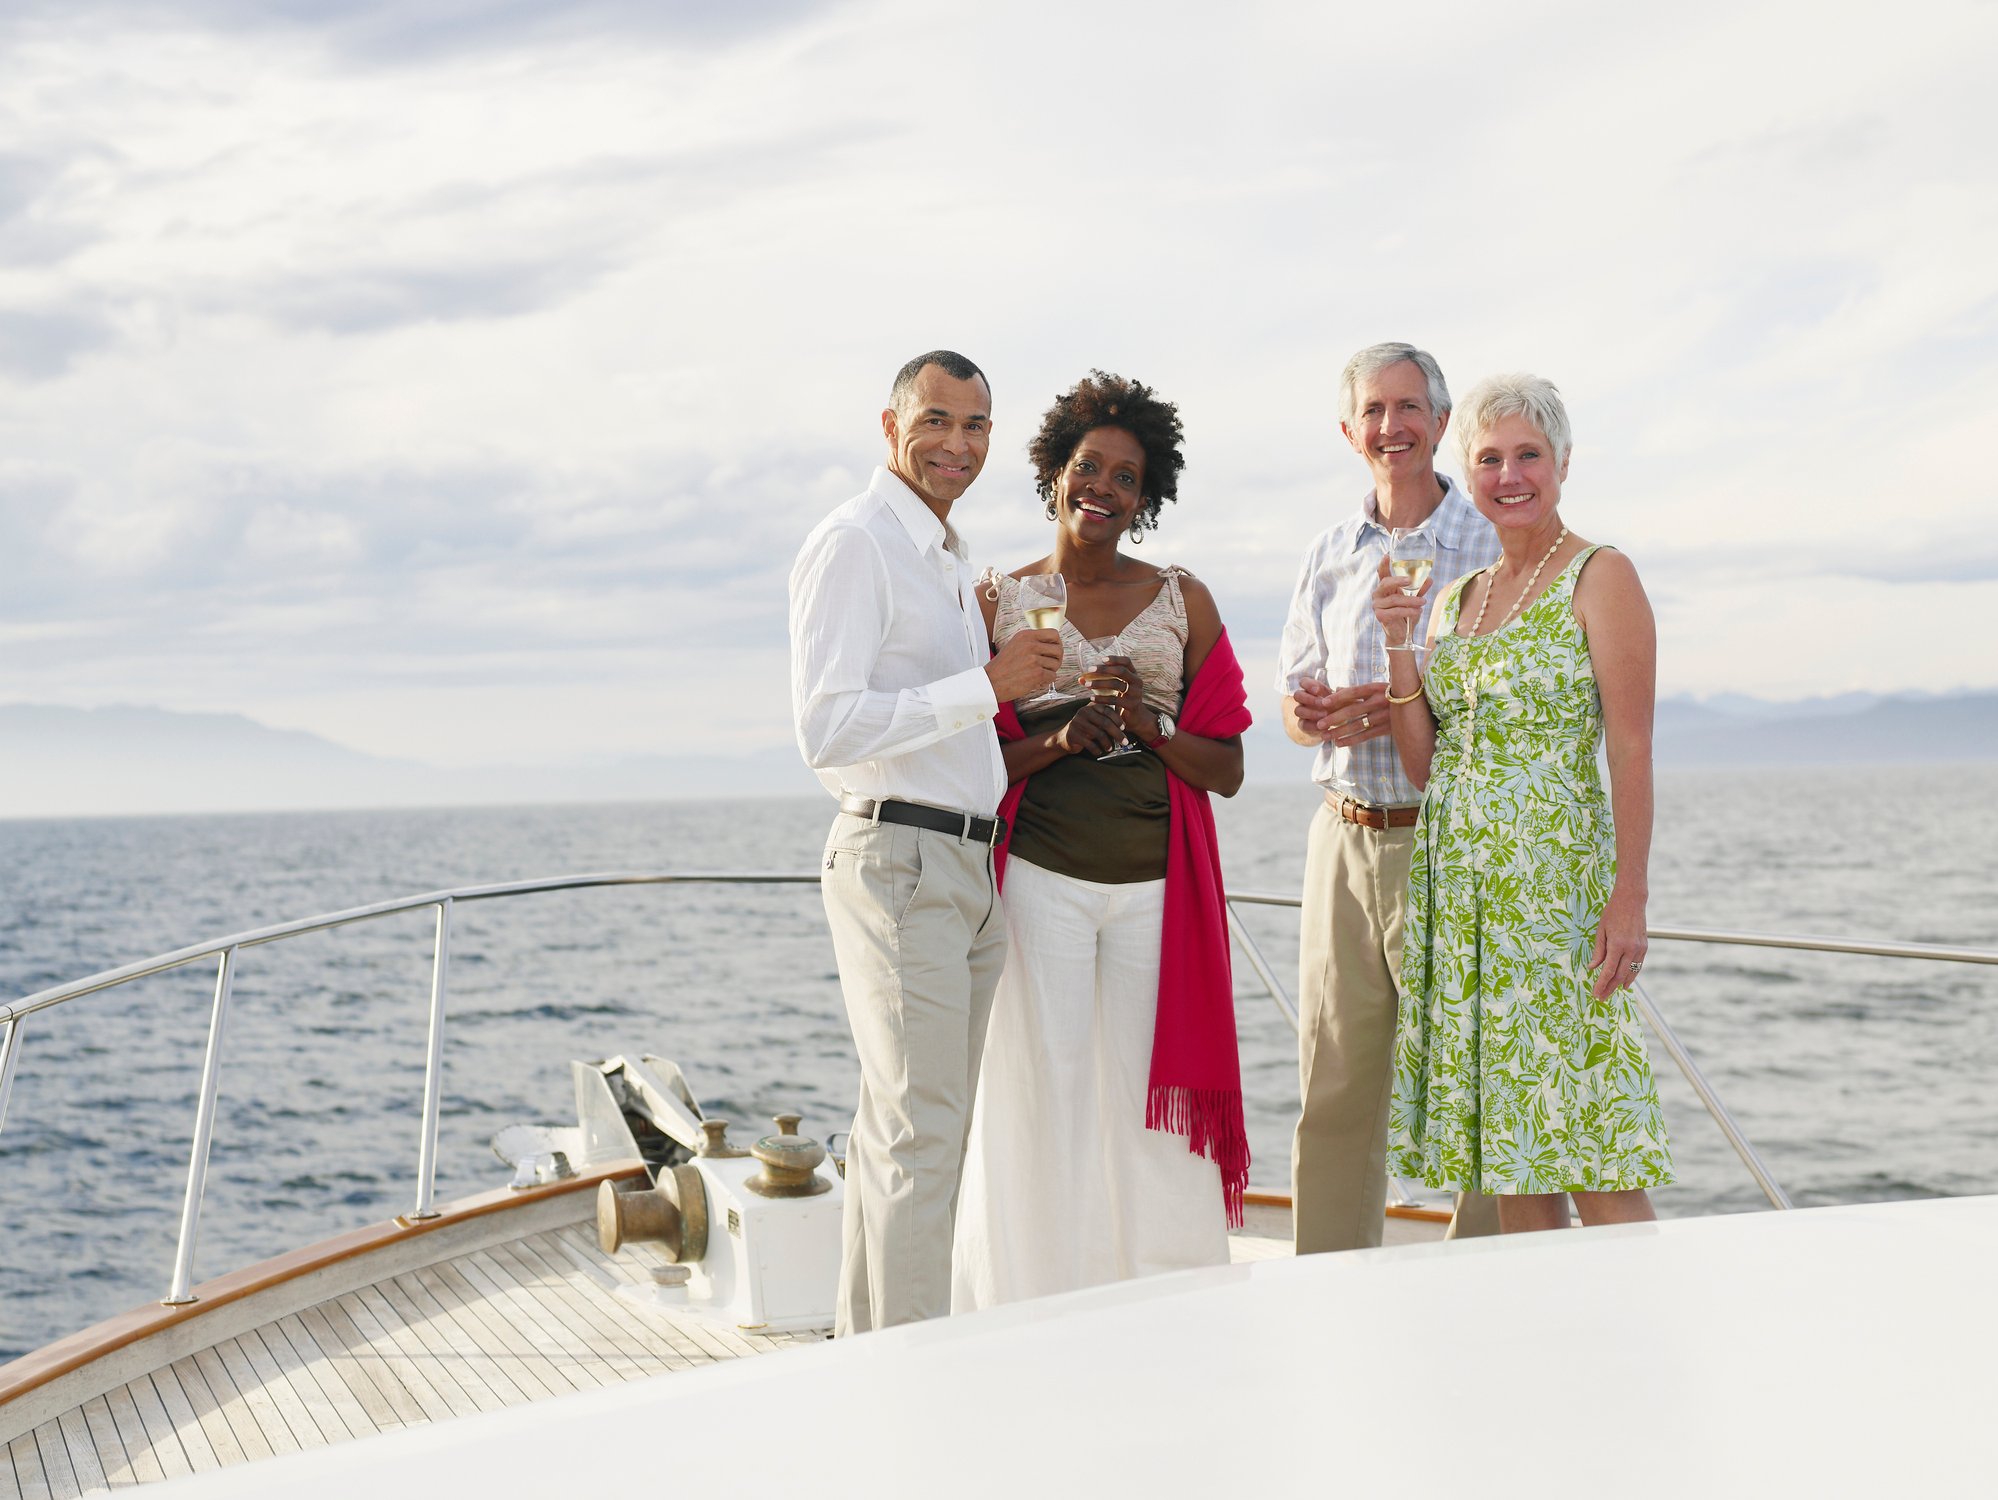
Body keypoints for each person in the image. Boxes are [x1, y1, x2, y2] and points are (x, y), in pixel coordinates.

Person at [951, 371, 1250, 1310]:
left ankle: (1169, 1302)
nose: (1104, 489)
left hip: (1158, 889)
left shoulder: (1183, 599)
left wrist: (1152, 731)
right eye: (1089, 467)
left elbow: (1229, 768)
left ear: (1145, 497)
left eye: (1127, 477)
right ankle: (1037, 1304)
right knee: (1047, 1095)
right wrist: (1056, 738)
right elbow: (963, 765)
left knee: (1149, 1105)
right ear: (1052, 475)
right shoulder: (996, 597)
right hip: (1040, 881)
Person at [789, 350, 1063, 1334]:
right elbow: (827, 727)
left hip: (962, 868)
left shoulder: (941, 560)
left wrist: (988, 667)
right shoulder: (858, 542)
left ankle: (875, 1357)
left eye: (977, 425)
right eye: (937, 420)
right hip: (903, 860)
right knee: (921, 1135)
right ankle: (913, 1374)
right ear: (889, 424)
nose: (957, 443)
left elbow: (928, 717)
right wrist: (986, 687)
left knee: (904, 1132)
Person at [1374, 371, 1673, 1229]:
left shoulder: (1600, 574)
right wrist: (1400, 644)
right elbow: (1428, 765)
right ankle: (1554, 1353)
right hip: (1459, 902)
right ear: (1469, 477)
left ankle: (1648, 1340)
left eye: (1528, 456)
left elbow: (1632, 747)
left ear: (1564, 463)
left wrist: (1630, 896)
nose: (1510, 476)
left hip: (1553, 904)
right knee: (1509, 1151)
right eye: (1491, 460)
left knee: (1587, 1139)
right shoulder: (1458, 600)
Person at [1275, 341, 1504, 1253]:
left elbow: (1503, 707)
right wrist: (1313, 717)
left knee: (1480, 1083)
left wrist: (1401, 707)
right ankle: (1329, 1288)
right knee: (1333, 1084)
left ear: (1442, 423)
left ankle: (1491, 1283)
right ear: (1348, 430)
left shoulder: (1491, 542)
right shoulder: (1328, 553)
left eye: (1409, 408)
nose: (1390, 426)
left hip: (1448, 841)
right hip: (1341, 839)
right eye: (1373, 410)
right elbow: (1292, 704)